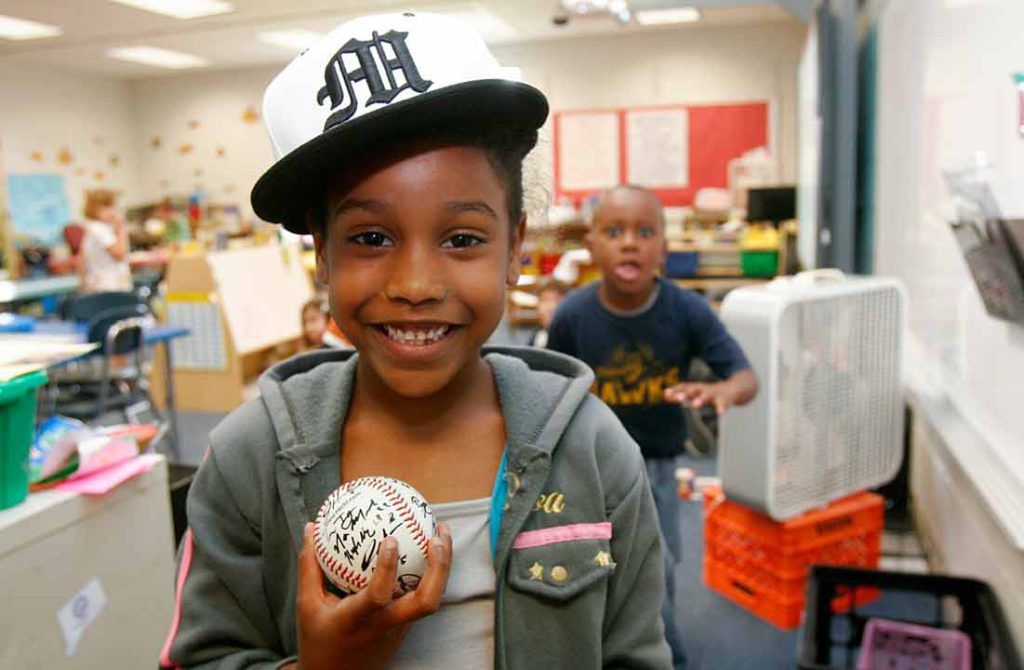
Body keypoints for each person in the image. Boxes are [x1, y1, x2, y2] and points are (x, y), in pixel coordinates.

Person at [160, 13, 671, 670]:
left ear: (516, 246)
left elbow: (636, 655)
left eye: (462, 239)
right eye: (370, 238)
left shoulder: (594, 452)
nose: (416, 284)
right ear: (322, 253)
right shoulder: (247, 461)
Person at [546, 184, 759, 669]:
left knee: (655, 573)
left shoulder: (687, 311)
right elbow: (549, 392)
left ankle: (666, 658)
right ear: (593, 244)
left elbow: (745, 377)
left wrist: (723, 392)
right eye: (614, 231)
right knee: (592, 567)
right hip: (589, 468)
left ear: (663, 247)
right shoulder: (573, 316)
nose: (629, 243)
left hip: (655, 470)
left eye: (645, 232)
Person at [79, 188, 132, 293]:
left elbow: (81, 260)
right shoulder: (99, 229)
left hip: (101, 285)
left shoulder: (93, 228)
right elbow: (119, 254)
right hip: (109, 286)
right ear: (93, 209)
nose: (112, 211)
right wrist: (121, 227)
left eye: (113, 206)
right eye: (107, 207)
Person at [529, 277, 570, 348]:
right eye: (545, 300)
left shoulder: (570, 341)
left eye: (557, 301)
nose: (550, 307)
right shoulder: (539, 333)